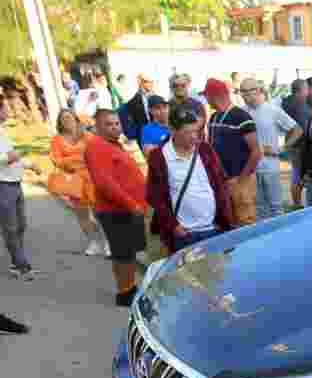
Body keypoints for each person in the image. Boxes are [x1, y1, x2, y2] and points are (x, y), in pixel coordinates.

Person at [147, 105, 234, 253]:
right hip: (185, 235)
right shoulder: (159, 156)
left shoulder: (205, 149)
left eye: (196, 130)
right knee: (191, 276)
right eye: (188, 132)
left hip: (214, 229)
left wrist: (224, 218)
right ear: (173, 131)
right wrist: (173, 226)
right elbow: (154, 196)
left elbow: (221, 183)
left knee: (218, 272)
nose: (194, 136)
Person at [84, 109, 148, 306]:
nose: (114, 127)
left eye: (116, 123)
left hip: (126, 209)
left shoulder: (113, 145)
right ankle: (125, 292)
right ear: (97, 126)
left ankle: (129, 287)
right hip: (117, 211)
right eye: (108, 124)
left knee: (127, 253)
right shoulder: (97, 147)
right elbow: (104, 183)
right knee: (123, 254)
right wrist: (131, 204)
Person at [239, 78, 302, 220]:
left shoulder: (272, 110)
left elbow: (297, 130)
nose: (245, 95)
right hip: (250, 168)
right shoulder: (241, 112)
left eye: (248, 91)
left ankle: (280, 239)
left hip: (270, 166)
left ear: (258, 90)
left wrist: (281, 149)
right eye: (242, 91)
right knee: (258, 207)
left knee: (276, 207)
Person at [47, 109, 107, 256]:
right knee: (82, 215)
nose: (67, 121)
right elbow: (56, 160)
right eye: (63, 119)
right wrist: (78, 159)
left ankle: (107, 242)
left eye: (69, 117)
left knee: (98, 212)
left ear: (75, 119)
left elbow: (98, 152)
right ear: (59, 123)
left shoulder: (86, 136)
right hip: (73, 180)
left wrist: (69, 159)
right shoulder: (57, 140)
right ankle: (94, 242)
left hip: (91, 178)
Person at [205, 78, 261, 226]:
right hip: (222, 180)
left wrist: (242, 180)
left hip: (240, 179)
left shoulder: (241, 117)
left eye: (207, 95)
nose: (206, 99)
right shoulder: (213, 117)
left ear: (214, 96)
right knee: (229, 222)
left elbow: (256, 152)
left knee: (245, 222)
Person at [1, 94, 42, 280]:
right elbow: (8, 158)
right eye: (4, 107)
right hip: (3, 186)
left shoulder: (2, 132)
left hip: (14, 183)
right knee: (10, 227)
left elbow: (13, 157)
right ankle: (22, 265)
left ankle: (15, 261)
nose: (7, 110)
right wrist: (11, 157)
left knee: (20, 225)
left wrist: (29, 163)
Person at [281, 78, 311, 206]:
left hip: (295, 144)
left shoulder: (290, 102)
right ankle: (297, 204)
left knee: (297, 175)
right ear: (300, 91)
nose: (308, 92)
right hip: (298, 146)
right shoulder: (297, 105)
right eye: (306, 89)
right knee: (298, 176)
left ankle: (297, 204)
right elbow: (303, 127)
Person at [123, 73, 156, 150]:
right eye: (146, 81)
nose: (150, 84)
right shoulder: (132, 102)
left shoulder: (157, 98)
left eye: (152, 82)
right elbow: (126, 119)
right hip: (143, 136)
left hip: (157, 133)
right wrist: (134, 135)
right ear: (140, 83)